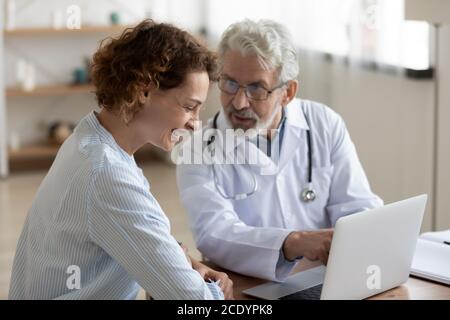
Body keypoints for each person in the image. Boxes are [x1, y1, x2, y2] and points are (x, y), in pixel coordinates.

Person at [9, 20, 233, 300]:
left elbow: (122, 230)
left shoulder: (89, 139)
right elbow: (195, 301)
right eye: (189, 107)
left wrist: (181, 261)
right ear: (144, 91)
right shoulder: (106, 173)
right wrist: (210, 288)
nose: (195, 124)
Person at [176, 19, 383, 281]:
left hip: (325, 278)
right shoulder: (197, 147)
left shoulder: (324, 124)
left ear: (288, 92)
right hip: (244, 283)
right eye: (229, 83)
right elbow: (214, 233)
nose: (239, 102)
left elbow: (358, 206)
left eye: (256, 88)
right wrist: (293, 242)